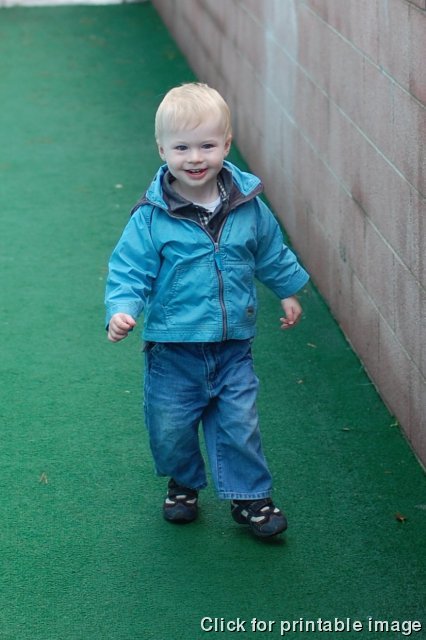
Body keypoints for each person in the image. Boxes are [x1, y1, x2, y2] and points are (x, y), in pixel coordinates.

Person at [105, 82, 309, 539]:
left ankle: (250, 497)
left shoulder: (247, 205)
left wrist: (288, 289)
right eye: (181, 148)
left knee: (240, 423)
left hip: (233, 344)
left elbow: (269, 250)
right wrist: (122, 308)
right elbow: (129, 269)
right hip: (173, 350)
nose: (195, 158)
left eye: (207, 146)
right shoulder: (152, 216)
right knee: (171, 427)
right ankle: (183, 483)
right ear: (162, 150)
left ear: (227, 144)